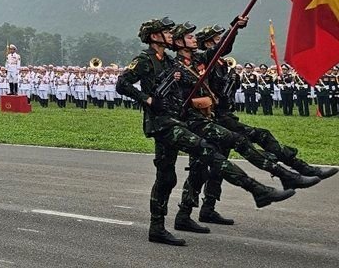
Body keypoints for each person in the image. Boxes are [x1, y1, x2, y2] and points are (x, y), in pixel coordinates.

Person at [115, 17, 294, 247]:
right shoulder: (143, 60)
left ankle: (157, 228)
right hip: (161, 124)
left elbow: (212, 57)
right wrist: (147, 99)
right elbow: (123, 83)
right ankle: (256, 189)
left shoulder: (170, 62)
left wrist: (234, 30)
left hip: (176, 120)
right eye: (165, 32)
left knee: (167, 177)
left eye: (171, 32)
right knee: (204, 149)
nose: (170, 34)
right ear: (154, 37)